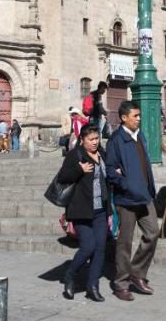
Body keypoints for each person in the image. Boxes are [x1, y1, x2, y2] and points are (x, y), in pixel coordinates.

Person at [104, 100, 159, 301]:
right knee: (125, 242)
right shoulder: (116, 140)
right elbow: (110, 170)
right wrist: (125, 183)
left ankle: (137, 273)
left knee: (153, 233)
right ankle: (121, 283)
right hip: (126, 199)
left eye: (139, 115)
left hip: (145, 196)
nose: (139, 119)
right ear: (123, 118)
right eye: (135, 116)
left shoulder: (140, 136)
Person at [58, 123, 112, 301]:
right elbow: (63, 177)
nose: (95, 142)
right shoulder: (76, 155)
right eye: (91, 139)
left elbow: (107, 183)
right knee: (88, 246)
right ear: (82, 140)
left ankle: (93, 286)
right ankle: (70, 275)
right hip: (81, 210)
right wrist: (79, 170)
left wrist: (109, 211)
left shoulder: (102, 154)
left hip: (101, 210)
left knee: (100, 249)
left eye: (97, 138)